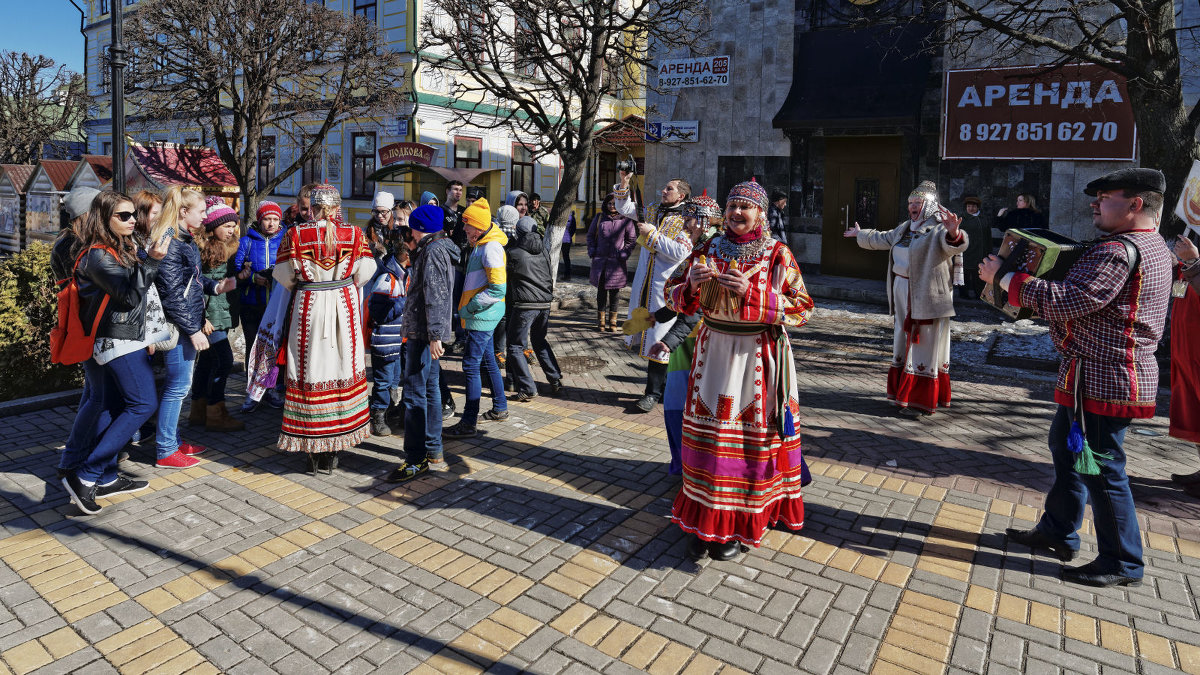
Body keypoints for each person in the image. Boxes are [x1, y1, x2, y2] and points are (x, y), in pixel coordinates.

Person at [981, 168, 1172, 588]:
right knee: (1066, 451)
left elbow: (1071, 300)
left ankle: (1122, 562)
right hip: (1094, 374)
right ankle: (1058, 530)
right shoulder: (1154, 245)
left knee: (1101, 469)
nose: (1095, 203)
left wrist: (1005, 277)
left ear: (1136, 204)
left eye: (1105, 197)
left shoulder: (1119, 251)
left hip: (1103, 378)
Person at [664, 180, 815, 560]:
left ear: (761, 213)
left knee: (750, 442)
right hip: (713, 352)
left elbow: (804, 308)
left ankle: (739, 524)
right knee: (711, 439)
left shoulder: (777, 253)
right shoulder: (707, 247)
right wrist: (691, 286)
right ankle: (706, 522)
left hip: (758, 357)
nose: (736, 213)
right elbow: (671, 292)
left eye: (745, 207)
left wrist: (754, 295)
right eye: (731, 206)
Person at [59, 191, 170, 514]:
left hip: (125, 337)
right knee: (143, 403)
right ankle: (86, 474)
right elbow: (129, 297)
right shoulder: (97, 255)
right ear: (103, 218)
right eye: (124, 216)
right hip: (114, 340)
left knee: (112, 404)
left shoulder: (117, 248)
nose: (132, 219)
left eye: (133, 214)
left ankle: (104, 476)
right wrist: (153, 260)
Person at [273, 185, 377, 474]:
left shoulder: (295, 234)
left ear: (314, 206)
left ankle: (311, 447)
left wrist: (306, 282)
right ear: (337, 206)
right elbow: (366, 270)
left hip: (309, 305)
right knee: (342, 368)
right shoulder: (355, 234)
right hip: (342, 306)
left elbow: (283, 274)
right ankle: (333, 447)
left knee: (309, 370)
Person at [845, 180, 968, 417]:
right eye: (910, 202)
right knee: (903, 339)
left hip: (928, 294)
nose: (912, 206)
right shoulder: (905, 228)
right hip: (902, 290)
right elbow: (884, 238)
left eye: (917, 202)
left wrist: (954, 232)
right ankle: (902, 394)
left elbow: (955, 246)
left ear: (929, 205)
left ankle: (920, 400)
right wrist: (861, 234)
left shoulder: (938, 229)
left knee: (924, 343)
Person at [155, 187, 234, 468]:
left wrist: (216, 286)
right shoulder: (173, 242)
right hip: (179, 327)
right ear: (184, 212)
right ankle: (165, 448)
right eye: (201, 211)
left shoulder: (184, 239)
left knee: (181, 386)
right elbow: (173, 295)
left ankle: (173, 441)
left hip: (187, 321)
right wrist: (193, 330)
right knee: (177, 387)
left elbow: (192, 284)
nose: (205, 216)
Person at [651, 192, 722, 476]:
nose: (685, 225)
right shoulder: (697, 252)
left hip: (705, 345)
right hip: (686, 343)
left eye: (690, 219)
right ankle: (684, 464)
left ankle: (696, 469)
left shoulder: (713, 254)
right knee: (676, 406)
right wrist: (655, 317)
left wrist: (668, 341)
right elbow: (680, 298)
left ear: (706, 221)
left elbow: (698, 310)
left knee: (694, 409)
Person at [388, 205, 459, 481]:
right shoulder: (435, 248)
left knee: (416, 396)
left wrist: (435, 336)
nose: (411, 233)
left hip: (422, 335)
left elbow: (436, 296)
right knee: (430, 392)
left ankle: (416, 458)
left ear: (421, 228)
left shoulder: (433, 252)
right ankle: (433, 449)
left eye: (413, 228)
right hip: (424, 333)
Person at [617, 176, 693, 412]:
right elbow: (625, 208)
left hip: (666, 288)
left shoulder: (687, 219)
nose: (663, 190)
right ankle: (660, 390)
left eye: (668, 188)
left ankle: (652, 393)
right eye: (664, 186)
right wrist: (623, 183)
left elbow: (680, 251)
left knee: (659, 340)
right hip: (645, 284)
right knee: (650, 338)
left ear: (680, 195)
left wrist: (652, 235)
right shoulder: (652, 210)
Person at [443, 198, 509, 439]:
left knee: (471, 365)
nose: (464, 229)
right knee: (488, 361)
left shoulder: (491, 247)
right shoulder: (483, 243)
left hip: (482, 316)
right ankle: (500, 407)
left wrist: (470, 308)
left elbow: (497, 289)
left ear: (479, 226)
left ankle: (468, 422)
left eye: (467, 224)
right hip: (482, 316)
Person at [52, 186, 104, 479]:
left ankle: (78, 453)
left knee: (93, 392)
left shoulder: (67, 242)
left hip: (82, 325)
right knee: (97, 396)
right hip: (88, 325)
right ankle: (73, 458)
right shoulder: (76, 246)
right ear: (88, 213)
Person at [190, 197, 244, 433]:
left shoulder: (229, 247)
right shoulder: (204, 249)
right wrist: (203, 318)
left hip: (221, 313)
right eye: (226, 225)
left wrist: (240, 277)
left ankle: (199, 411)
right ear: (212, 227)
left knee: (208, 362)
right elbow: (197, 284)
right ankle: (216, 411)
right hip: (210, 316)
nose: (231, 229)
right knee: (224, 361)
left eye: (233, 225)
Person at [235, 201, 287, 411]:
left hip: (276, 304)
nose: (271, 223)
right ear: (260, 220)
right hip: (251, 304)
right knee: (253, 347)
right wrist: (252, 278)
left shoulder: (285, 240)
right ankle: (252, 390)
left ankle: (271, 389)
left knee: (273, 347)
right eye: (267, 219)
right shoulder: (247, 241)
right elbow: (237, 270)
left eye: (275, 219)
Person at [506, 215, 563, 401]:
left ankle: (528, 387)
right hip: (544, 304)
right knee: (539, 341)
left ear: (518, 232)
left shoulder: (513, 252)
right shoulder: (544, 250)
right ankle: (555, 379)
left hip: (524, 304)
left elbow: (508, 278)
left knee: (515, 346)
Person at [367, 225, 411, 436]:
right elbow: (377, 311)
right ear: (402, 253)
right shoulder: (387, 279)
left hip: (398, 339)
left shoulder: (404, 274)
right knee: (383, 382)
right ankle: (378, 415)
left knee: (394, 379)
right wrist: (404, 303)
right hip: (385, 341)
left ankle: (390, 411)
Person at [1169, 234, 1200, 497]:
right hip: (1187, 349)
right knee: (1195, 412)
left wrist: (1194, 263)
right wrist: (1178, 266)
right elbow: (1179, 292)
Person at [587, 193, 638, 332]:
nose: (612, 206)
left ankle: (613, 322)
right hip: (600, 261)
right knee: (601, 292)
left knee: (615, 294)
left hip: (617, 263)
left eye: (614, 204)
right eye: (609, 203)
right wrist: (593, 251)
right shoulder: (599, 218)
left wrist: (623, 254)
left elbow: (631, 240)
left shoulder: (626, 220)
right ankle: (601, 321)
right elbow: (590, 236)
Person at [492, 204, 520, 366]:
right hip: (512, 283)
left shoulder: (495, 236)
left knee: (501, 319)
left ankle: (498, 351)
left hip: (499, 281)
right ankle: (506, 350)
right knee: (508, 318)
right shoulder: (518, 237)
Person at [959, 196, 990, 300]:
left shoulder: (983, 218)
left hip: (981, 252)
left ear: (978, 207)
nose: (971, 208)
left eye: (973, 206)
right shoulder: (962, 219)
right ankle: (963, 294)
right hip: (966, 251)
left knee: (979, 275)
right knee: (965, 274)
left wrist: (988, 252)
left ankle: (979, 295)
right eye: (968, 206)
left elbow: (988, 235)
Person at [365, 191, 396, 258]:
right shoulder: (367, 231)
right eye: (376, 211)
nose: (379, 215)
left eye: (383, 212)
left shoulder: (397, 230)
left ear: (391, 211)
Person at [559, 211, 577, 282]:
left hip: (563, 239)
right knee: (566, 258)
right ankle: (567, 275)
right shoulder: (571, 216)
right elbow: (573, 228)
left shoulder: (560, 214)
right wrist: (569, 236)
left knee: (565, 257)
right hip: (567, 239)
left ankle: (567, 275)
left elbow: (573, 228)